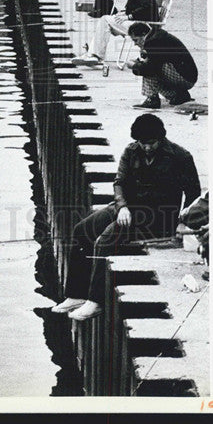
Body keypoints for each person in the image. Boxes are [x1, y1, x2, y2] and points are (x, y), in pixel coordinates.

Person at [51, 113, 201, 321]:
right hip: (128, 208)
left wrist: (182, 223)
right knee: (81, 230)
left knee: (105, 239)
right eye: (142, 143)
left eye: (151, 143)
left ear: (161, 138)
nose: (147, 147)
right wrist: (122, 207)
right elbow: (119, 182)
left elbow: (193, 194)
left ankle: (95, 302)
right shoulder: (131, 151)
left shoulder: (180, 156)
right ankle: (76, 294)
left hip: (158, 216)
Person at [73, 0, 158, 67]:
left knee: (105, 20)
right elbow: (138, 9)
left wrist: (129, 16)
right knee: (105, 25)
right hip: (140, 23)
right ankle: (93, 54)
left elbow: (146, 9)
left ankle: (95, 55)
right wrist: (124, 14)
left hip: (144, 26)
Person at [127, 22, 198, 109]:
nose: (135, 44)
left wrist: (134, 66)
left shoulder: (153, 42)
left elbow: (150, 69)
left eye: (136, 40)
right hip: (187, 76)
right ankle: (178, 95)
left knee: (147, 68)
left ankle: (152, 99)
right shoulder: (156, 36)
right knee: (148, 65)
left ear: (143, 34)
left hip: (185, 78)